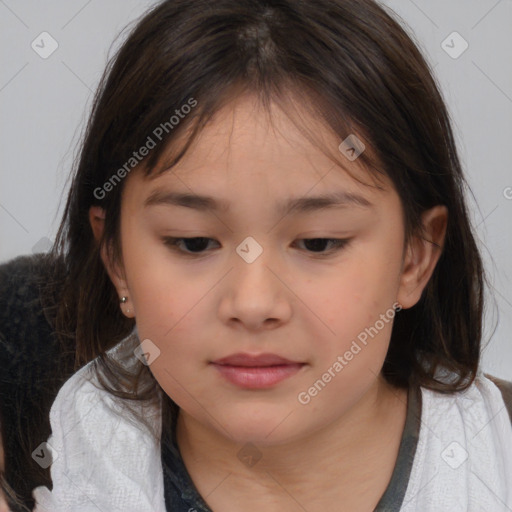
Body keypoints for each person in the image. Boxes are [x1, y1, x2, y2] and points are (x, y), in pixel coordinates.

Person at [10, 0, 510, 510]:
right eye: (193, 243)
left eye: (318, 243)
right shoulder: (40, 468)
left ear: (415, 258)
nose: (252, 304)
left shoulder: (494, 458)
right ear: (116, 259)